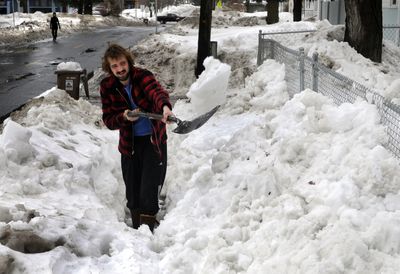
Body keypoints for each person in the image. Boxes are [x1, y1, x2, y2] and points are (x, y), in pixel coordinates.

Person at [100, 44, 173, 232]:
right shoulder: (107, 87)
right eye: (114, 66)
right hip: (129, 144)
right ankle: (135, 228)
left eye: (122, 63)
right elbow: (109, 119)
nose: (120, 69)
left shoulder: (142, 76)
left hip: (152, 140)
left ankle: (147, 230)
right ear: (109, 68)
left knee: (148, 187)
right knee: (132, 189)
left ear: (128, 62)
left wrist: (165, 107)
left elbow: (156, 93)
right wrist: (124, 117)